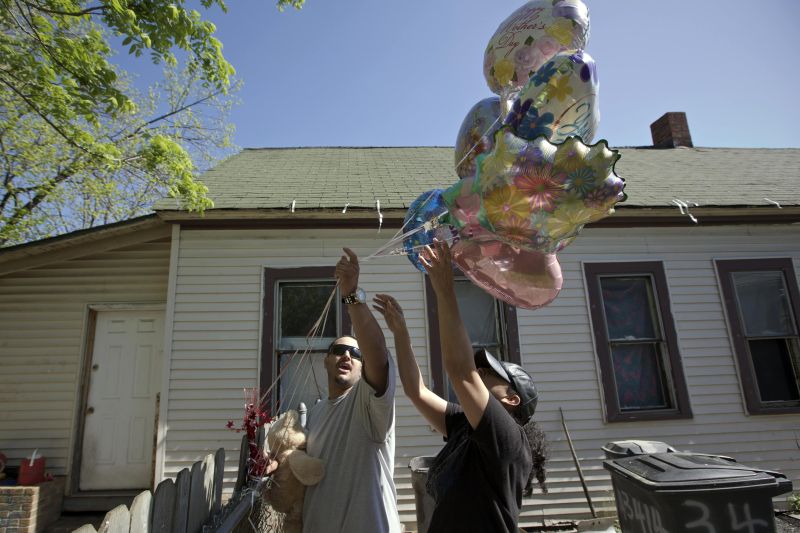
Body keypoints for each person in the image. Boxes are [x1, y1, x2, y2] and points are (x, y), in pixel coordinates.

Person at [373, 240, 548, 533]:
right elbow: (417, 391)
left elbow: (461, 371)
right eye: (481, 367)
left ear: (513, 400)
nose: (480, 371)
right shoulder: (465, 427)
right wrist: (401, 332)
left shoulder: (506, 437)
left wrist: (444, 287)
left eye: (491, 373)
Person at [300, 247, 401, 533]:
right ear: (326, 361)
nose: (347, 356)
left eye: (355, 354)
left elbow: (378, 354)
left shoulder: (368, 403)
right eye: (339, 350)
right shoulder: (317, 413)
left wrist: (351, 294)